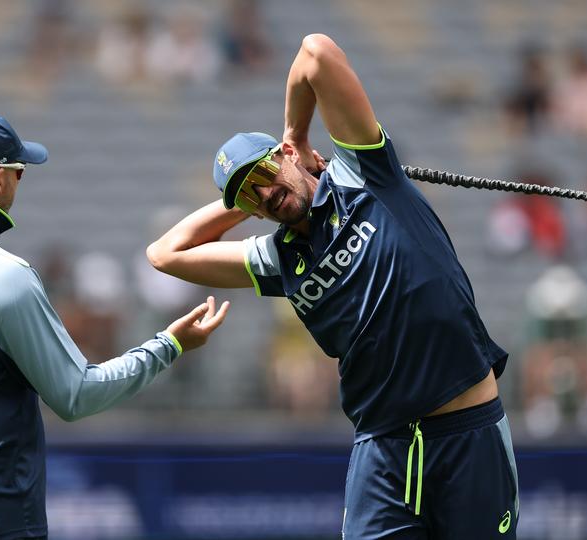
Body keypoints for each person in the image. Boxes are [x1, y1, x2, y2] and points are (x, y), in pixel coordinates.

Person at [147, 34, 519, 539]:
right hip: (383, 449)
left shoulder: (366, 175)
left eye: (263, 172)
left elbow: (315, 52)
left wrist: (294, 136)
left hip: (467, 431)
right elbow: (166, 253)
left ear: (284, 155)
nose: (265, 194)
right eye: (249, 195)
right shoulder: (277, 258)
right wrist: (248, 193)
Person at [0, 111, 229, 540]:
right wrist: (169, 345)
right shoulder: (3, 274)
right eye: (18, 171)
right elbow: (77, 394)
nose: (17, 181)